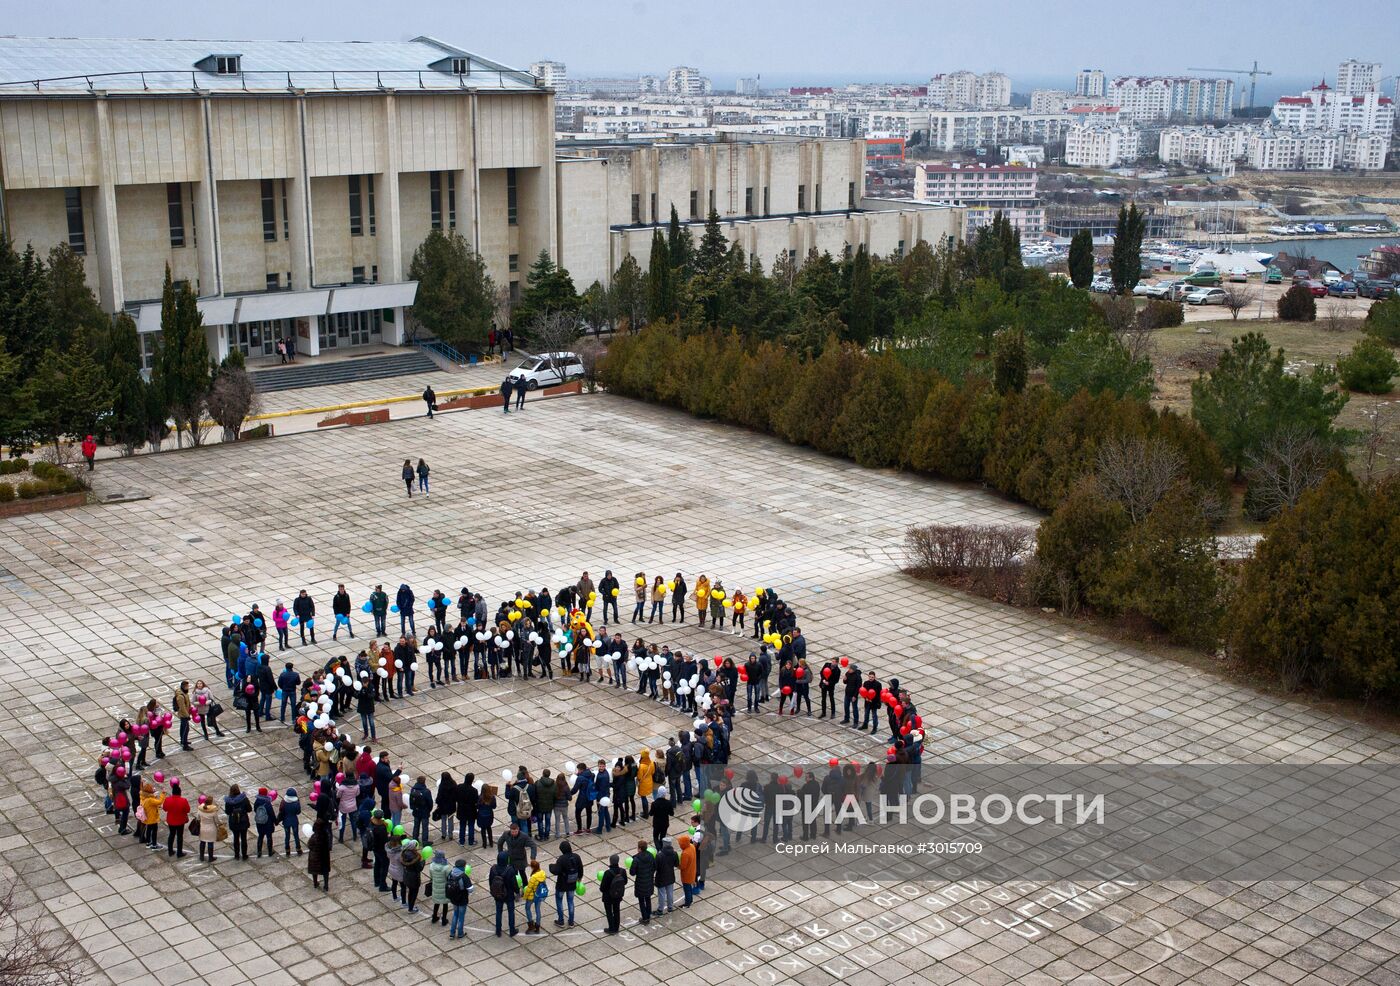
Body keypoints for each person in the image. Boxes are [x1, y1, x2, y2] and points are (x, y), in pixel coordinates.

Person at [488, 850, 522, 937]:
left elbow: (490, 881)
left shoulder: (493, 869)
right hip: (509, 895)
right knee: (511, 912)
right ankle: (512, 930)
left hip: (497, 894)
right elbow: (514, 883)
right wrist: (517, 892)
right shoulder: (510, 870)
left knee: (498, 912)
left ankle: (498, 931)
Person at [550, 839, 583, 927]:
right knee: (570, 901)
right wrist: (579, 878)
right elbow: (580, 869)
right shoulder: (576, 856)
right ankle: (571, 922)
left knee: (559, 900)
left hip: (562, 884)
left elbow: (556, 871)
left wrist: (551, 866)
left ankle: (561, 921)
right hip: (572, 884)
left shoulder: (561, 859)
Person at [631, 839, 657, 924]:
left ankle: (645, 918)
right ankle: (648, 915)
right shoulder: (650, 856)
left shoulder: (636, 859)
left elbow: (632, 872)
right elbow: (654, 867)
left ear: (639, 849)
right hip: (649, 881)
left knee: (641, 901)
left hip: (640, 883)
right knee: (648, 899)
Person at [600, 854, 627, 934]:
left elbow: (603, 887)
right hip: (618, 895)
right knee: (616, 910)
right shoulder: (622, 871)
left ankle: (611, 928)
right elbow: (625, 881)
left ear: (610, 862)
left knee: (609, 912)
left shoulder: (607, 873)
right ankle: (616, 927)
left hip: (608, 896)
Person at [447, 857, 473, 939]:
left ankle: (452, 933)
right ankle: (460, 933)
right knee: (461, 917)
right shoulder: (464, 876)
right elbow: (470, 889)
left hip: (453, 898)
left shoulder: (450, 873)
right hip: (462, 899)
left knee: (455, 915)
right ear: (463, 867)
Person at [224, 784, 252, 861]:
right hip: (243, 822)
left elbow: (227, 812)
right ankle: (244, 855)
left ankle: (236, 855)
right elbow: (249, 809)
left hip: (234, 823)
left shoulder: (229, 801)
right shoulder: (244, 799)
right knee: (244, 839)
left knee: (236, 839)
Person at [162, 782, 189, 857]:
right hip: (180, 821)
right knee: (180, 836)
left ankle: (170, 851)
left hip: (171, 821)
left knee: (171, 835)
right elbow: (188, 810)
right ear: (180, 793)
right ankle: (179, 853)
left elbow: (164, 809)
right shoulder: (183, 800)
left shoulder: (168, 799)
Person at [655, 836, 679, 914]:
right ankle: (670, 907)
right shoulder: (674, 853)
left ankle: (660, 909)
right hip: (670, 876)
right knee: (670, 892)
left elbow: (656, 867)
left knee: (661, 894)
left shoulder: (659, 855)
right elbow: (676, 864)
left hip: (661, 877)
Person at [522, 859, 547, 933]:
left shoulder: (533, 877)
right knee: (537, 910)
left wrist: (525, 896)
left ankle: (531, 926)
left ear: (533, 867)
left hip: (532, 896)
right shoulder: (543, 874)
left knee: (527, 908)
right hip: (539, 895)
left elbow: (529, 888)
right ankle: (537, 926)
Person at [428, 849, 451, 925]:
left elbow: (431, 876)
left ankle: (434, 917)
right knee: (445, 904)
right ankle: (444, 920)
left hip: (435, 886)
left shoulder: (431, 865)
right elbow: (449, 877)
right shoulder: (446, 867)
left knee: (436, 903)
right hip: (444, 888)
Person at [401, 838, 424, 914]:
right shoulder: (415, 858)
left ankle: (410, 906)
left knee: (410, 892)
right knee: (414, 893)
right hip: (414, 878)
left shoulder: (404, 854)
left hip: (407, 876)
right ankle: (411, 908)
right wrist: (423, 861)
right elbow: (419, 868)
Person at [308, 818, 332, 891]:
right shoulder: (326, 836)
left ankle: (315, 883)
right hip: (324, 856)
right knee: (325, 872)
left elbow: (309, 845)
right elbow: (329, 845)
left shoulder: (314, 837)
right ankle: (326, 885)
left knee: (314, 871)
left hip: (315, 856)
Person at [195, 795, 221, 862]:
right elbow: (217, 821)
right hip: (211, 829)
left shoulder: (200, 810)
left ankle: (201, 856)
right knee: (210, 843)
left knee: (202, 842)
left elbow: (197, 818)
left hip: (202, 828)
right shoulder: (213, 812)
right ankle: (210, 857)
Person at [254, 787, 278, 857]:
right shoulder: (267, 803)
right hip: (268, 822)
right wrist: (275, 821)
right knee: (269, 837)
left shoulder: (257, 801)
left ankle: (259, 851)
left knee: (260, 836)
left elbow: (255, 810)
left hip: (259, 822)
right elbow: (271, 813)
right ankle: (270, 851)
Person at [435, 772, 458, 843]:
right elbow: (456, 796)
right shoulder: (454, 784)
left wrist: (437, 803)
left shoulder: (441, 786)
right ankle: (450, 835)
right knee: (450, 820)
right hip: (451, 806)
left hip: (443, 806)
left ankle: (443, 834)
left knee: (443, 820)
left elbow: (439, 797)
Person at [279, 788, 303, 855]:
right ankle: (298, 849)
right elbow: (298, 812)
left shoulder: (283, 802)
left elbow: (281, 811)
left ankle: (287, 850)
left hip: (286, 821)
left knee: (287, 836)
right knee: (296, 835)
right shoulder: (296, 803)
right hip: (294, 821)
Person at [678, 833, 698, 907]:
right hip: (692, 870)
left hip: (687, 874)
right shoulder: (692, 846)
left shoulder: (685, 853)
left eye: (680, 843)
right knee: (689, 887)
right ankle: (690, 900)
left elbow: (682, 866)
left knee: (687, 889)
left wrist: (677, 865)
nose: (679, 845)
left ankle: (687, 903)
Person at [173, 681, 193, 750]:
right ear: (183, 687)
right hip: (183, 715)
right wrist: (187, 715)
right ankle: (185, 745)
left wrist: (190, 708)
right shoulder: (181, 696)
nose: (188, 687)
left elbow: (187, 702)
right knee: (186, 729)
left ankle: (183, 740)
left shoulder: (185, 693)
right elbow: (182, 707)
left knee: (183, 727)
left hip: (186, 713)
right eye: (187, 686)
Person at [357, 673, 377, 739]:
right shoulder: (360, 687)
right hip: (362, 707)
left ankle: (373, 737)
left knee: (371, 723)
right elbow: (356, 695)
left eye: (365, 683)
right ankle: (366, 734)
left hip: (369, 707)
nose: (364, 684)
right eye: (363, 683)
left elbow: (372, 695)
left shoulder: (371, 686)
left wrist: (366, 693)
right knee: (364, 722)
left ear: (368, 682)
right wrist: (360, 693)